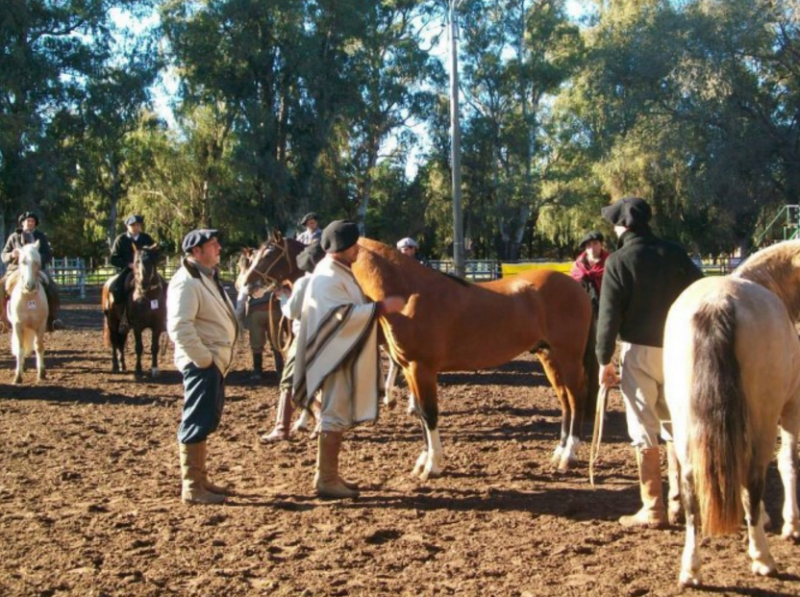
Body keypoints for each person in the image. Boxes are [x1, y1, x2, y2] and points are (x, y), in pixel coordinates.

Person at [596, 197, 702, 529]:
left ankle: (653, 508)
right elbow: (700, 292)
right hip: (680, 348)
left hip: (639, 352)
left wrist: (603, 360)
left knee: (644, 428)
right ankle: (680, 502)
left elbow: (608, 317)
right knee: (675, 425)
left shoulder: (619, 261)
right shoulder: (675, 253)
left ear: (622, 226)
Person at [292, 220, 405, 499]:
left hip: (341, 353)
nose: (358, 249)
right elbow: (338, 317)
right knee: (333, 414)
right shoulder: (329, 276)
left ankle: (328, 475)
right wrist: (380, 308)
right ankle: (326, 479)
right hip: (335, 356)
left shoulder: (338, 271)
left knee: (337, 415)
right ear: (343, 247)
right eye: (355, 245)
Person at [167, 229, 239, 505]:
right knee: (196, 419)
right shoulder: (186, 282)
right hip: (203, 363)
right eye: (212, 245)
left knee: (205, 418)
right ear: (196, 252)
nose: (219, 247)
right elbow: (179, 327)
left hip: (213, 362)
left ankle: (200, 479)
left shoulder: (204, 277)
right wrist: (204, 359)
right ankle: (192, 487)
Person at [260, 241, 325, 443]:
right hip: (327, 335)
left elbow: (291, 312)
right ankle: (323, 422)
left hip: (305, 336)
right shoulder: (331, 279)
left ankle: (282, 428)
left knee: (288, 381)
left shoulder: (303, 283)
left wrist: (284, 297)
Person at [1, 211, 62, 331]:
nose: (30, 223)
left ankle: (52, 319)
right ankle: (1, 320)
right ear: (22, 223)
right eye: (28, 221)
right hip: (16, 269)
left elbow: (48, 254)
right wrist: (12, 254)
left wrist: (37, 259)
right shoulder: (14, 237)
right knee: (1, 286)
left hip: (36, 269)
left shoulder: (41, 236)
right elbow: (3, 255)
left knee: (52, 286)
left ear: (35, 224)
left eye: (32, 221)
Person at [108, 215, 156, 324]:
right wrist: (128, 265)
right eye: (132, 225)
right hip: (128, 270)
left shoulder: (146, 238)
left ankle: (161, 316)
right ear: (127, 226)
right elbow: (113, 259)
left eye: (138, 225)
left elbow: (155, 254)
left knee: (161, 286)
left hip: (146, 270)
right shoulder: (121, 239)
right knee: (117, 288)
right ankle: (123, 315)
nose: (135, 227)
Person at [570, 230, 608, 317]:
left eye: (595, 243)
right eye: (588, 245)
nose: (592, 248)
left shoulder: (610, 262)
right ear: (585, 248)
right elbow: (573, 285)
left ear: (601, 244)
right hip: (582, 307)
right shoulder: (578, 265)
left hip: (606, 306)